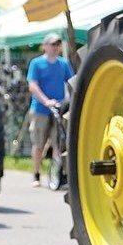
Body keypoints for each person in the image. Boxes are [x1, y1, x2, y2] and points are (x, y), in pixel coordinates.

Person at [27, 34, 75, 187]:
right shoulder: (36, 63)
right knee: (39, 143)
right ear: (45, 46)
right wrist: (46, 101)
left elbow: (71, 82)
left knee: (58, 142)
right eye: (52, 44)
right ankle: (36, 173)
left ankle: (58, 173)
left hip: (59, 109)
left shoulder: (63, 64)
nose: (55, 47)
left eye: (57, 45)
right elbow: (32, 85)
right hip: (40, 109)